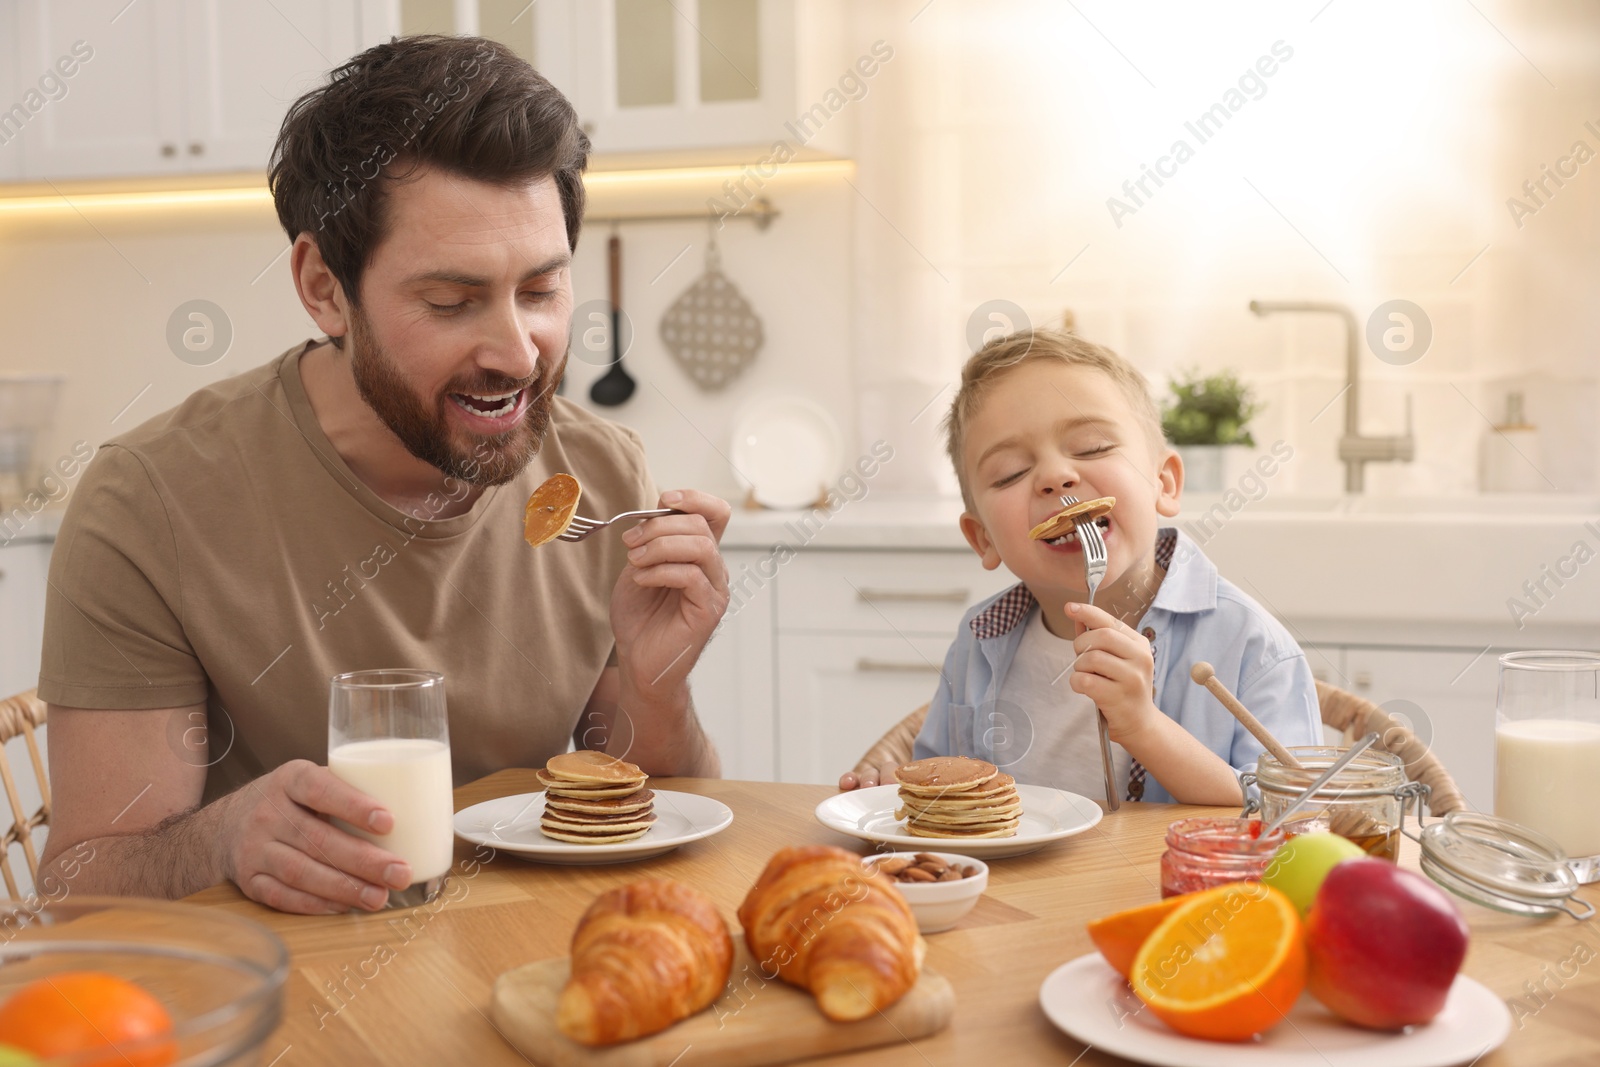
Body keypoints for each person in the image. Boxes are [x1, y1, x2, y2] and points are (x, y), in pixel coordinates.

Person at [36, 36, 728, 915]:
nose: (517, 351)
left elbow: (657, 823)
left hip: (527, 979)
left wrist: (657, 685)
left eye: (544, 291)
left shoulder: (597, 473)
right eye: (450, 302)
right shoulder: (149, 503)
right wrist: (223, 839)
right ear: (324, 288)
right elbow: (73, 887)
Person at [839, 328, 1319, 803]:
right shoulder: (978, 641)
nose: (1054, 476)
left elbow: (1294, 811)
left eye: (1092, 448)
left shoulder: (1251, 646)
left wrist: (1144, 728)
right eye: (1011, 473)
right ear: (983, 538)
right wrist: (895, 791)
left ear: (1164, 483)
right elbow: (945, 786)